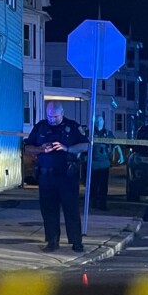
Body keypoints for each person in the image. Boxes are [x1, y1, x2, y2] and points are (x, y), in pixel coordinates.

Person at [24, 101, 90, 252]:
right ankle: (52, 241)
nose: (52, 120)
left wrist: (67, 148)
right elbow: (27, 147)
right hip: (46, 176)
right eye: (49, 116)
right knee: (49, 210)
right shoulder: (41, 127)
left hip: (67, 176)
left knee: (71, 209)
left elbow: (85, 145)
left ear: (62, 113)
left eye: (55, 116)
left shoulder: (72, 127)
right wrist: (40, 149)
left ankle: (76, 241)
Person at [90, 115, 124, 210]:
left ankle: (102, 205)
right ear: (94, 122)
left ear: (103, 122)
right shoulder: (91, 133)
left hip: (104, 163)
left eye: (100, 120)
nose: (99, 122)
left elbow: (116, 145)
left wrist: (121, 156)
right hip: (93, 163)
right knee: (93, 185)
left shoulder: (108, 133)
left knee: (103, 186)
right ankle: (93, 203)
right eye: (97, 121)